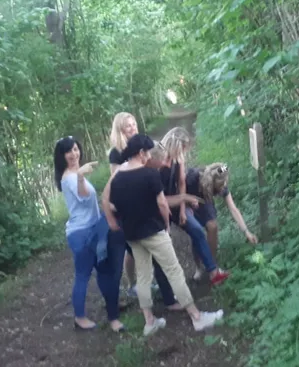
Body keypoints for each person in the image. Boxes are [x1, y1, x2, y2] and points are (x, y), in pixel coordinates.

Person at [105, 134, 223, 336]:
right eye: (148, 152)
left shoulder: (117, 177)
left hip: (132, 234)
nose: (150, 156)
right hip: (154, 230)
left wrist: (118, 219)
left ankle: (149, 321)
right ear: (141, 153)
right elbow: (162, 204)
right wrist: (167, 226)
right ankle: (197, 317)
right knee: (174, 271)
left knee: (143, 276)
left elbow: (112, 204)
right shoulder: (149, 174)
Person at [107, 112, 179, 308]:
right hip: (129, 208)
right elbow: (115, 182)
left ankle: (149, 293)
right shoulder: (116, 152)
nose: (133, 128)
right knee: (137, 251)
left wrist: (161, 165)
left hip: (145, 203)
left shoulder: (140, 145)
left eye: (134, 124)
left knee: (140, 251)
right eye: (128, 126)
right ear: (120, 130)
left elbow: (147, 164)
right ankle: (137, 287)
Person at [54, 136, 125, 332]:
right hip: (81, 233)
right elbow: (85, 198)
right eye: (69, 151)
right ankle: (79, 317)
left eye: (76, 149)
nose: (74, 154)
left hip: (94, 229)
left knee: (102, 271)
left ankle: (112, 309)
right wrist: (80, 176)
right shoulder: (69, 177)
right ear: (62, 156)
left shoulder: (74, 174)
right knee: (83, 275)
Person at [159, 127, 230, 286]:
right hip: (158, 205)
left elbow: (182, 183)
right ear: (176, 144)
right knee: (162, 245)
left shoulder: (179, 158)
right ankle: (167, 287)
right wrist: (184, 199)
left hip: (176, 201)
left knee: (197, 229)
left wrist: (183, 209)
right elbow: (158, 198)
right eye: (183, 148)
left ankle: (213, 272)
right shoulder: (159, 161)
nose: (184, 152)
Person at [188, 162, 258, 282]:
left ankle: (212, 265)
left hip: (206, 199)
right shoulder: (193, 178)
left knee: (213, 226)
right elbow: (180, 186)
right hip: (190, 199)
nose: (224, 187)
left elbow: (233, 208)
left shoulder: (220, 179)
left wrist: (247, 232)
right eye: (221, 186)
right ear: (212, 184)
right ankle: (198, 267)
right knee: (196, 232)